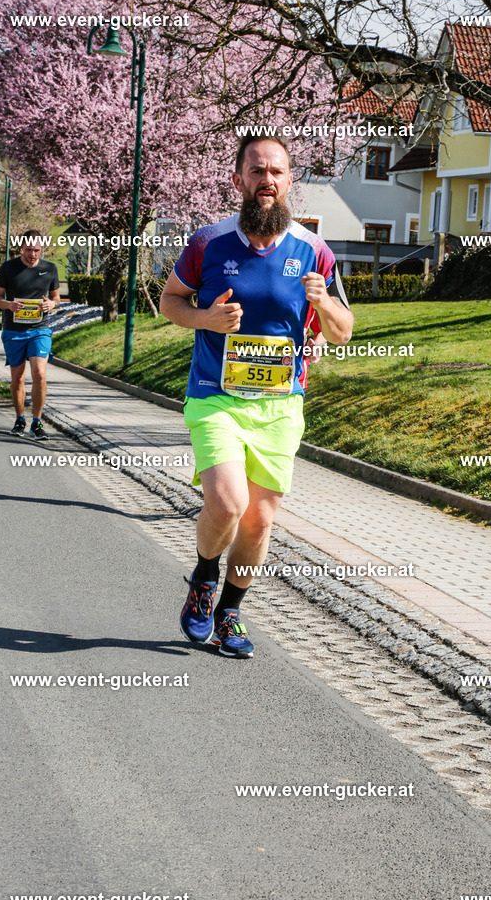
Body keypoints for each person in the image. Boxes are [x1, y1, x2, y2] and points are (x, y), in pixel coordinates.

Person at [160, 133, 354, 659]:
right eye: (256, 171)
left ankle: (229, 613)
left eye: (276, 171)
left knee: (259, 520)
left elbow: (343, 332)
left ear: (290, 181)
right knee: (227, 503)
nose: (266, 180)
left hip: (280, 405)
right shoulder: (208, 242)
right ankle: (204, 578)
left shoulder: (314, 250)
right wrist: (205, 319)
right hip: (215, 395)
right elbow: (170, 301)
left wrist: (324, 306)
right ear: (238, 179)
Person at [0, 229, 60, 439]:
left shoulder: (50, 268)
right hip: (14, 331)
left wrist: (52, 304)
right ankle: (20, 419)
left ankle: (37, 422)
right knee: (18, 377)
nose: (32, 254)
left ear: (42, 248)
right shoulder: (8, 268)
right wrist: (8, 305)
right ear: (21, 247)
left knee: (39, 373)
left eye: (37, 250)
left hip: (40, 329)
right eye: (29, 249)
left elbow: (56, 298)